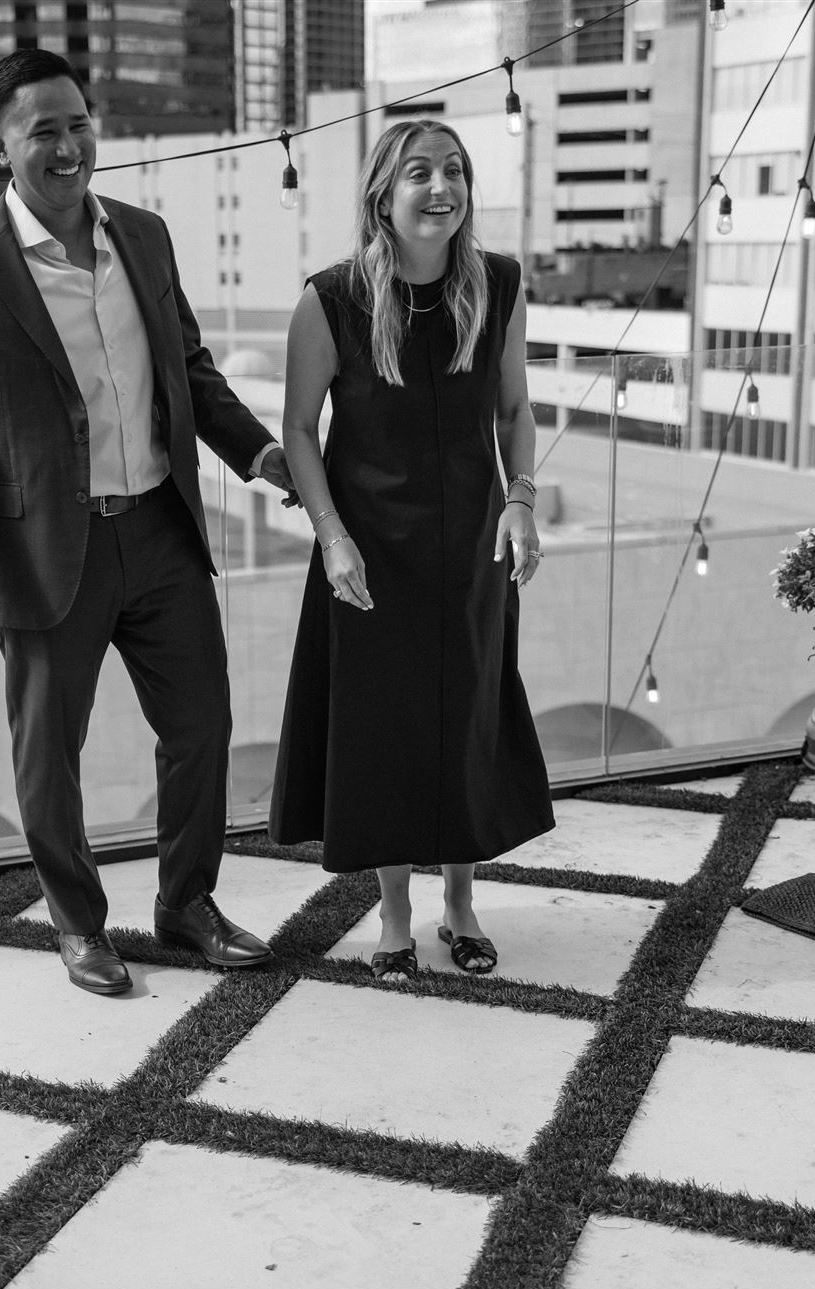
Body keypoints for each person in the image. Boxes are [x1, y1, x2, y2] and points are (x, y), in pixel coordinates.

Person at [0, 49, 295, 996]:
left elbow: (191, 371)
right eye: (43, 129)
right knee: (50, 753)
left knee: (201, 724)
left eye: (79, 123)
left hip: (159, 529)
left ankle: (187, 903)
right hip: (43, 551)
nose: (69, 144)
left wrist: (260, 454)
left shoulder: (146, 239)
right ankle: (79, 924)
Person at [268, 119, 555, 980]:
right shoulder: (330, 299)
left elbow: (514, 411)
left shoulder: (498, 285)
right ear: (382, 198)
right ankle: (393, 916)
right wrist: (330, 536)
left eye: (455, 171)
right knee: (388, 732)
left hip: (472, 550)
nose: (442, 187)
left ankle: (460, 904)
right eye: (421, 174)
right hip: (369, 557)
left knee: (466, 723)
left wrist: (521, 504)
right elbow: (298, 429)